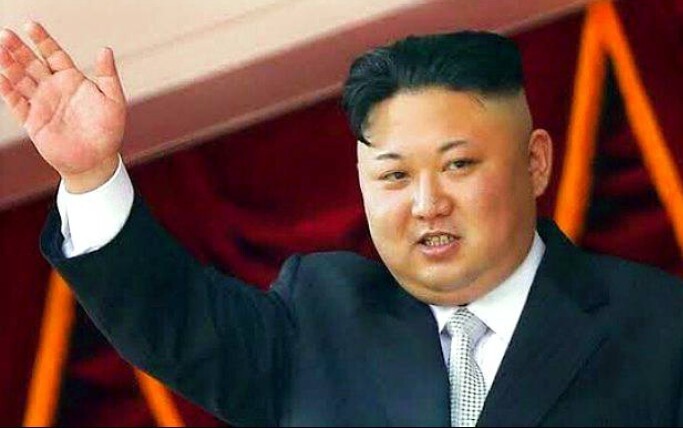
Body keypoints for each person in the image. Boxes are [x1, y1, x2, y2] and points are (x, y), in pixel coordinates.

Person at [1, 21, 683, 427]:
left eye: (457, 165)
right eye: (393, 176)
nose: (426, 203)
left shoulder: (658, 326)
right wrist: (91, 174)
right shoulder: (321, 318)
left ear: (534, 163)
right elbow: (171, 317)